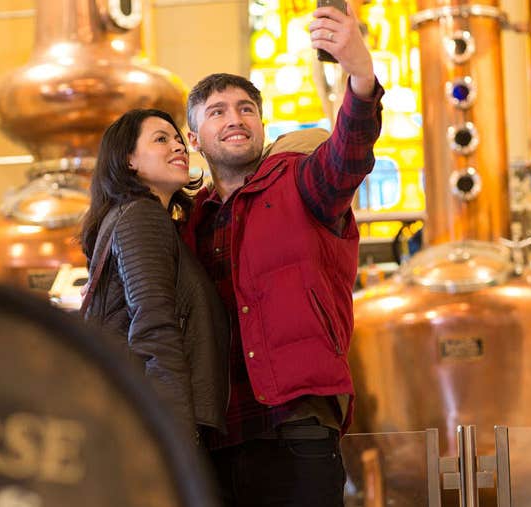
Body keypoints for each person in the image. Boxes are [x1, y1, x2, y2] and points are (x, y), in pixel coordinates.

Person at [178, 4, 383, 505]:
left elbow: (348, 153)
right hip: (217, 435)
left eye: (246, 109)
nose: (235, 120)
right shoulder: (189, 221)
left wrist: (359, 74)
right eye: (218, 112)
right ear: (193, 138)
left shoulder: (301, 182)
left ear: (262, 124)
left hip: (299, 422)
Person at [80, 109, 229, 443]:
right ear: (128, 160)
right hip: (148, 424)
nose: (178, 146)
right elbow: (154, 326)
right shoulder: (141, 216)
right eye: (161, 139)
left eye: (178, 139)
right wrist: (176, 435)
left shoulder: (132, 216)